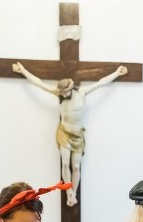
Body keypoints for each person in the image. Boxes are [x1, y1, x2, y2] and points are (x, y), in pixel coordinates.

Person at [12, 62, 128, 207]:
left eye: (65, 92)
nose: (63, 95)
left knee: (76, 166)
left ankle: (74, 190)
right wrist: (23, 70)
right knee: (65, 163)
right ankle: (69, 193)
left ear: (71, 88)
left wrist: (117, 73)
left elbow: (101, 83)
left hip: (77, 134)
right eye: (61, 93)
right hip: (64, 132)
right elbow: (39, 83)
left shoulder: (82, 92)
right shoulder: (58, 93)